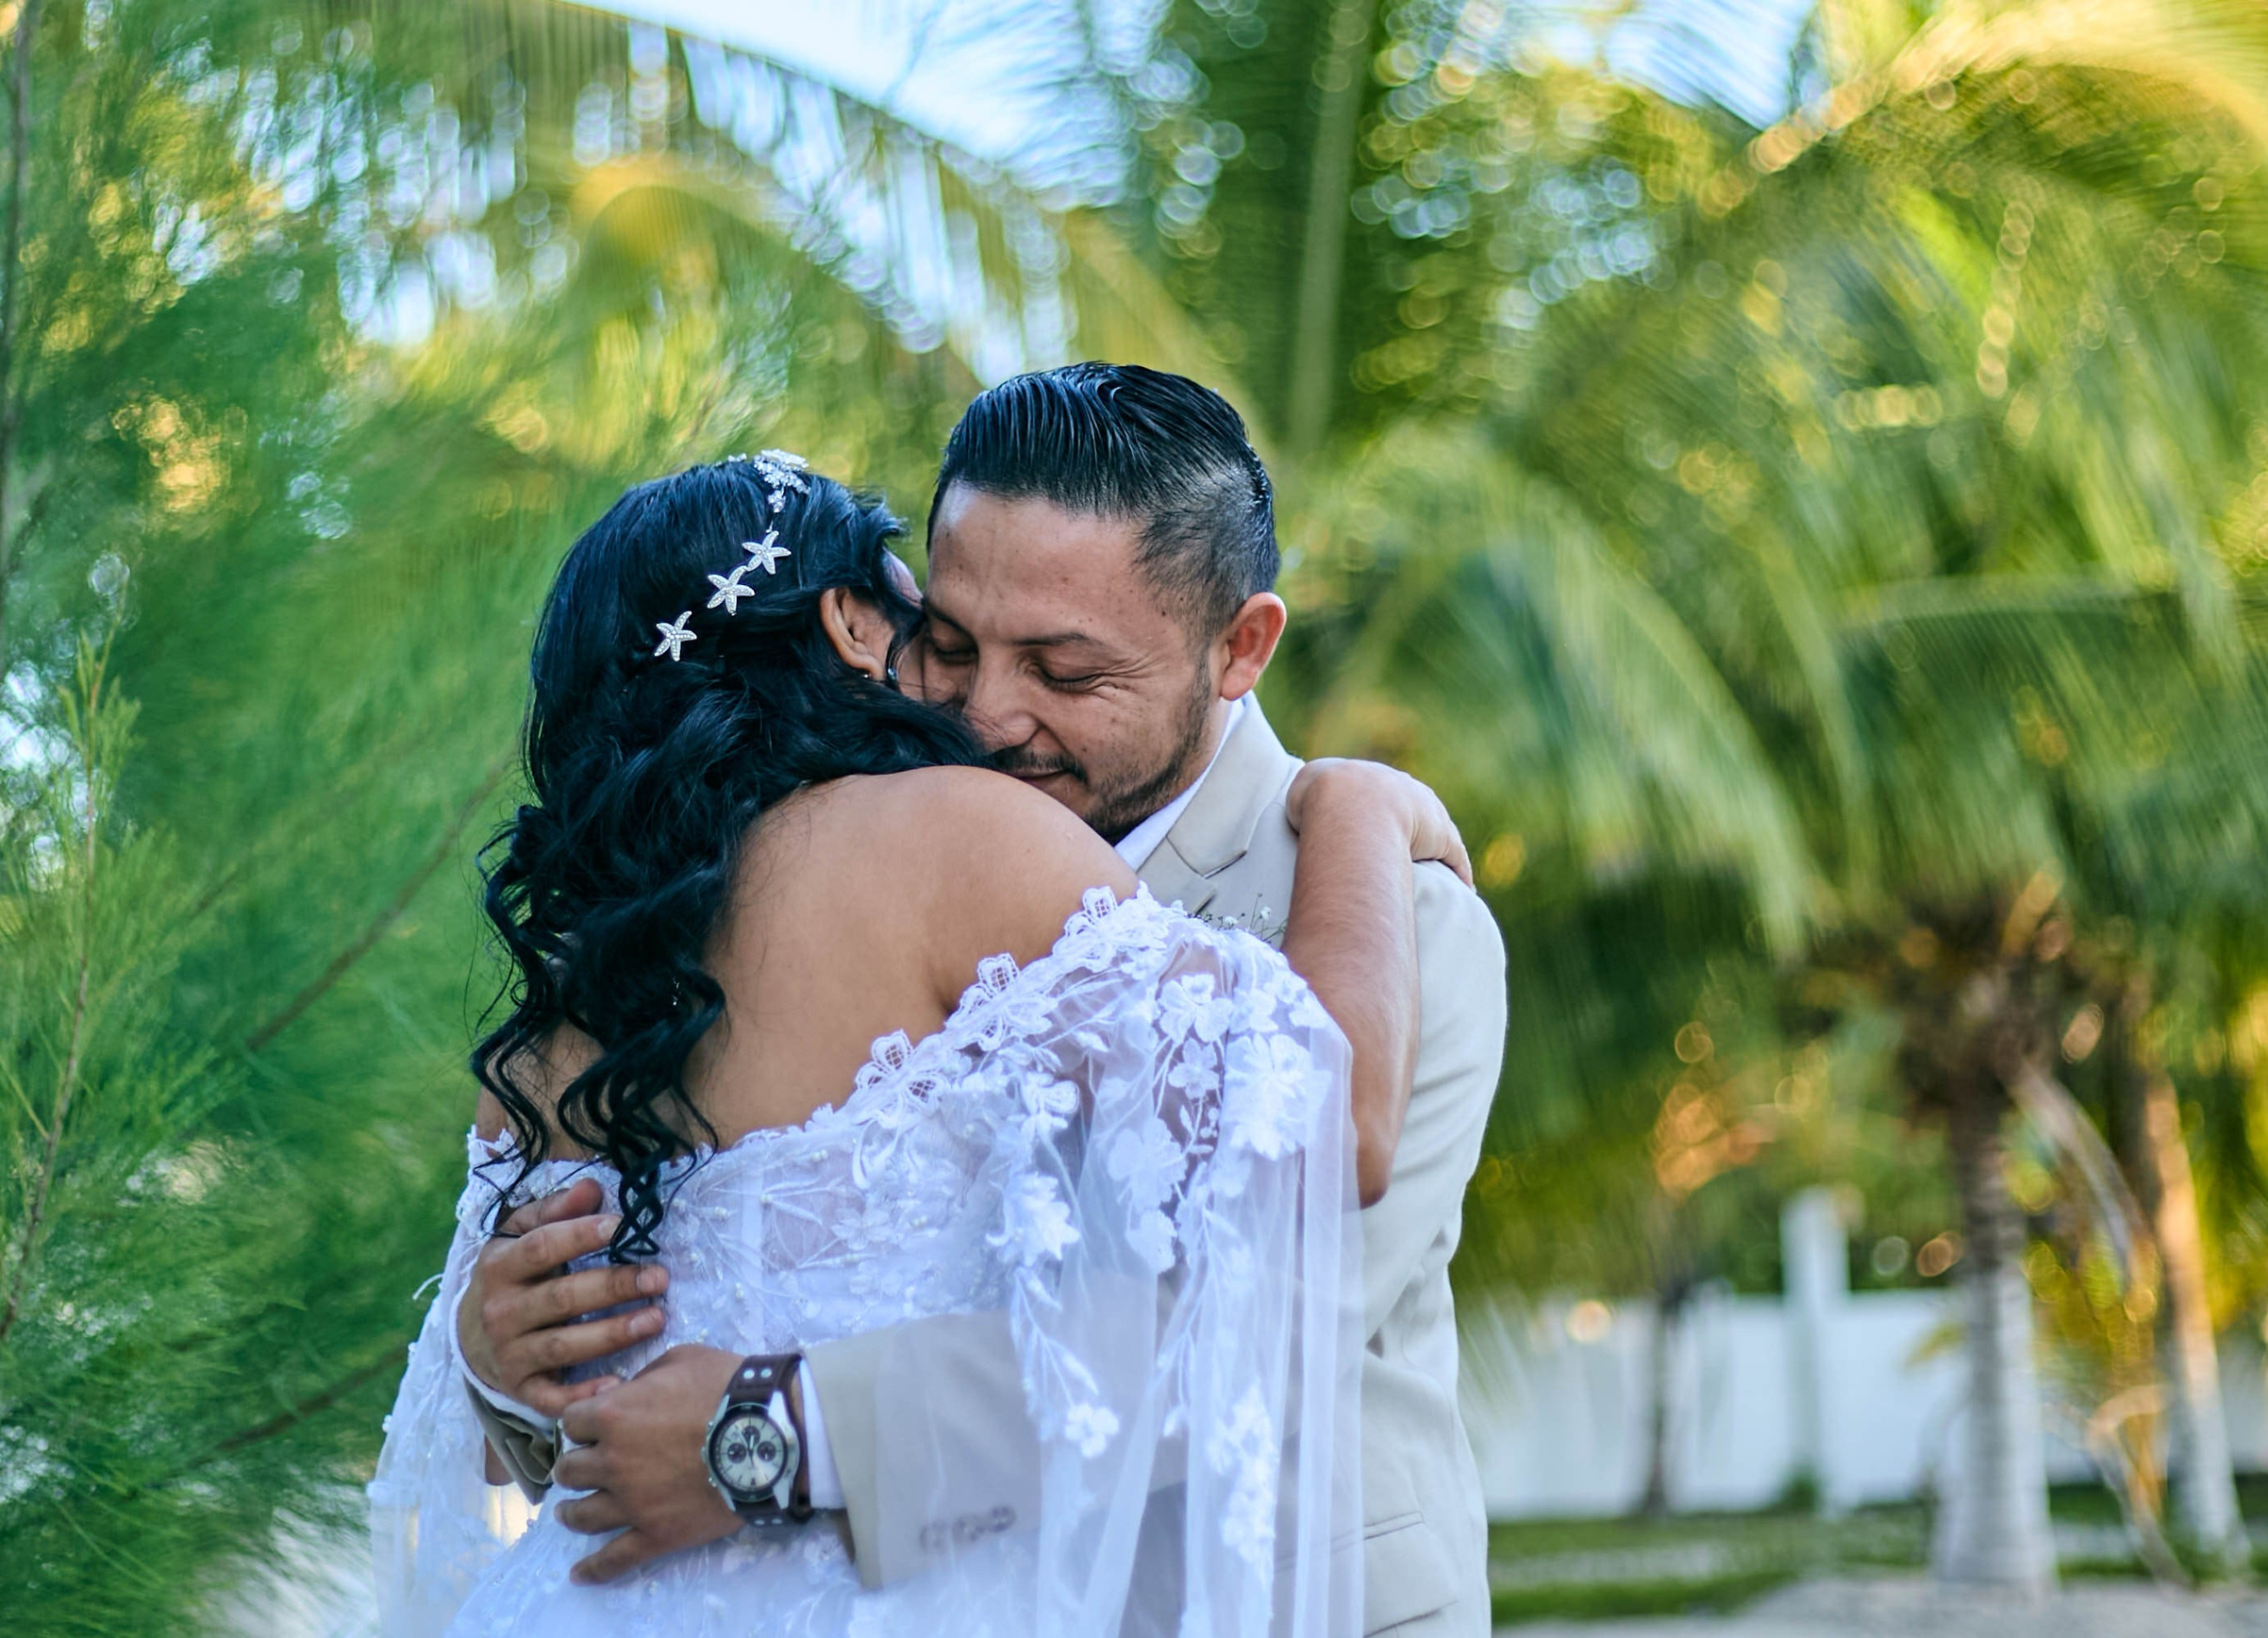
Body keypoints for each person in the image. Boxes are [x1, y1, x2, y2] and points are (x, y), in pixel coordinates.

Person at [456, 366, 1509, 1637]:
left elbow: (1261, 1321)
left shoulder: (1392, 918)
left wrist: (768, 1436)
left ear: (1239, 648)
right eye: (951, 646)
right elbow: (645, 1410)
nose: (991, 716)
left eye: (1065, 672)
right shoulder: (790, 896)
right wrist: (499, 1362)